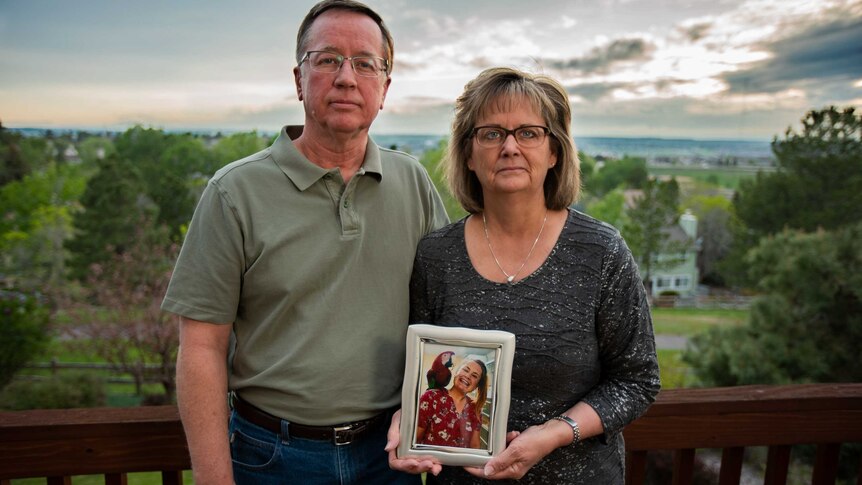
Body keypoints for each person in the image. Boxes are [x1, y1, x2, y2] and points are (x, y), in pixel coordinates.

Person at [162, 1, 449, 484]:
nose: (346, 77)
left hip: (390, 455)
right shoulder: (234, 192)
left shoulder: (413, 182)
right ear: (299, 79)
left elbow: (444, 314)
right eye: (327, 59)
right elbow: (201, 348)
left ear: (384, 88)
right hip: (272, 457)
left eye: (364, 63)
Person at [386, 67, 660, 483]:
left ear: (554, 152)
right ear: (468, 154)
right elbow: (423, 374)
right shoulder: (436, 256)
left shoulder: (601, 251)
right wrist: (409, 417)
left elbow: (637, 380)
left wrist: (555, 433)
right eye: (491, 133)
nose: (510, 147)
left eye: (529, 133)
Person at [416, 359, 488, 449]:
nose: (468, 376)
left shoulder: (475, 409)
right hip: (429, 461)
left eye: (474, 376)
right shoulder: (430, 397)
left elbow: (474, 446)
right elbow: (416, 438)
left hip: (460, 462)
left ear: (476, 386)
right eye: (466, 370)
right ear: (456, 372)